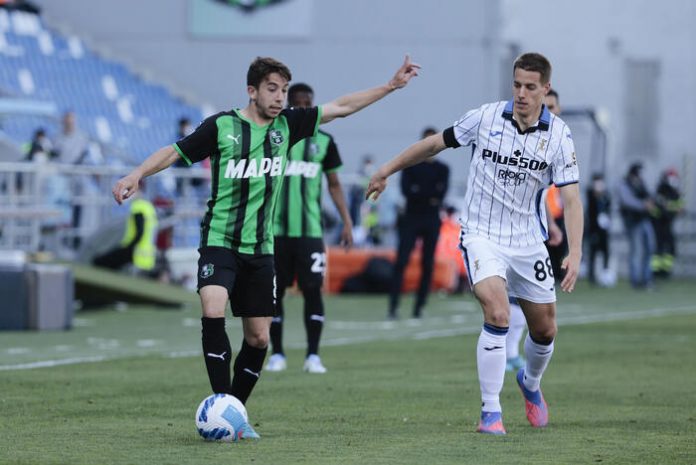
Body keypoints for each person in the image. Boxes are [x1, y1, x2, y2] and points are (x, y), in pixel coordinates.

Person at [112, 55, 420, 439]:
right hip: (220, 240)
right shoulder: (222, 126)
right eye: (272, 89)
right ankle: (221, 405)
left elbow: (341, 107)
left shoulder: (288, 125)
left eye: (284, 90)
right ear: (252, 91)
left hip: (260, 249)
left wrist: (389, 86)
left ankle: (233, 413)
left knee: (259, 338)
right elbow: (175, 151)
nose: (279, 97)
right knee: (213, 308)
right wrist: (137, 173)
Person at [366, 52, 583, 435]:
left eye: (530, 87)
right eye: (516, 84)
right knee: (497, 314)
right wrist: (386, 169)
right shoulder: (484, 118)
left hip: (528, 241)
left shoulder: (559, 136)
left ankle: (530, 383)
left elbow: (571, 198)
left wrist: (575, 251)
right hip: (482, 234)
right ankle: (490, 412)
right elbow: (434, 144)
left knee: (545, 330)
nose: (521, 93)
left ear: (545, 88)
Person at [265, 82, 354, 374]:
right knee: (274, 293)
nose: (303, 108)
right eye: (297, 103)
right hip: (275, 232)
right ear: (288, 105)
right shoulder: (274, 137)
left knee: (313, 290)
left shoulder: (325, 141)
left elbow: (334, 184)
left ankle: (313, 356)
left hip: (310, 232)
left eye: (308, 104)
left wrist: (346, 220)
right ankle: (277, 354)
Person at [506, 90, 564, 372]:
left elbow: (543, 195)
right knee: (506, 301)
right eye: (545, 105)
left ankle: (525, 372)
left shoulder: (559, 141)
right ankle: (506, 356)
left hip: (536, 233)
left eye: (552, 106)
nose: (548, 110)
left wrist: (552, 225)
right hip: (508, 232)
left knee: (542, 321)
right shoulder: (517, 135)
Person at [387, 127, 449, 320]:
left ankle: (419, 306)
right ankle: (393, 306)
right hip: (411, 217)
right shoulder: (410, 166)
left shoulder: (442, 169)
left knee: (428, 263)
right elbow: (407, 191)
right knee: (401, 261)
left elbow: (440, 194)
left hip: (431, 219)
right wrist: (427, 195)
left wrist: (421, 192)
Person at [94, 182, 158, 275]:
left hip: (135, 254)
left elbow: (139, 233)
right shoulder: (149, 207)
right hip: (148, 258)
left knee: (99, 261)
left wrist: (126, 250)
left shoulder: (138, 207)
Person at [618, 162, 656, 289]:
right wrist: (643, 205)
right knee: (636, 251)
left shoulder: (641, 184)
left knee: (649, 249)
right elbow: (627, 201)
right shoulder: (625, 184)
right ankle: (635, 280)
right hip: (633, 223)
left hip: (645, 220)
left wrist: (650, 202)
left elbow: (649, 195)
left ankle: (647, 279)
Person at [651, 168, 684, 278]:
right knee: (658, 248)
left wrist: (671, 206)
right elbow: (661, 207)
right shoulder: (661, 189)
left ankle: (665, 271)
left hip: (668, 224)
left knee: (671, 247)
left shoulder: (675, 192)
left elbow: (680, 208)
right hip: (658, 224)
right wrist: (671, 207)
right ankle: (656, 271)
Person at [586, 173, 612, 285]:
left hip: (604, 230)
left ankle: (605, 273)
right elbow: (591, 210)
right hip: (594, 229)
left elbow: (608, 206)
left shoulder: (605, 195)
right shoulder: (590, 194)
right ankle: (591, 276)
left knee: (605, 251)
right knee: (593, 252)